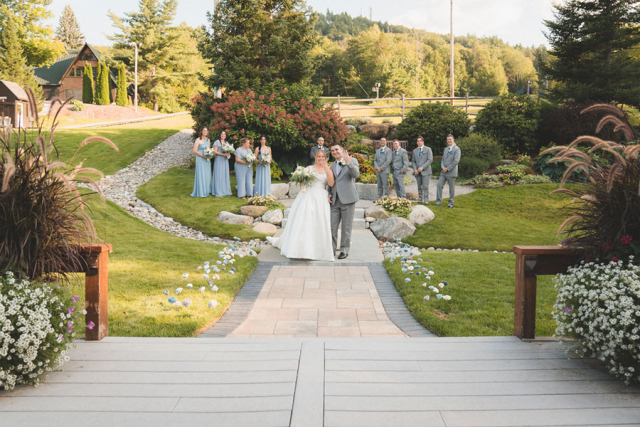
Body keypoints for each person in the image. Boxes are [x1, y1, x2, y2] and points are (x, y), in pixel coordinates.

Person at [267, 149, 335, 261]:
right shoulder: (309, 168)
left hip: (321, 198)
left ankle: (316, 249)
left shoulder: (328, 169)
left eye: (323, 157)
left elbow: (331, 183)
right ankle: (299, 248)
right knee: (305, 220)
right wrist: (302, 182)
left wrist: (326, 167)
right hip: (307, 196)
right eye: (319, 157)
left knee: (319, 221)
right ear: (315, 157)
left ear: (326, 158)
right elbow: (302, 183)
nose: (321, 159)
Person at [329, 142, 359, 259]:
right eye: (332, 151)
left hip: (348, 199)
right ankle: (331, 249)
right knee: (332, 227)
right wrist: (328, 193)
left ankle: (344, 250)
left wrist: (349, 162)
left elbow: (356, 174)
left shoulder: (352, 160)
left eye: (336, 149)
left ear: (341, 150)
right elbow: (330, 182)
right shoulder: (331, 165)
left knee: (346, 227)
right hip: (335, 200)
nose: (335, 152)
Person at [436, 134, 461, 208]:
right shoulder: (446, 149)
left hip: (451, 172)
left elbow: (456, 161)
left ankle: (450, 203)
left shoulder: (457, 149)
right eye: (447, 139)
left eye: (450, 139)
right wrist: (442, 167)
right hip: (443, 172)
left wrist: (448, 168)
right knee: (439, 185)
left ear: (453, 140)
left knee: (451, 189)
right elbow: (442, 159)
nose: (449, 141)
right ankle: (438, 202)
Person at [190, 127, 213, 198]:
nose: (205, 132)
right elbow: (194, 151)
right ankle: (200, 191)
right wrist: (203, 156)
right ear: (201, 131)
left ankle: (206, 190)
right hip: (200, 159)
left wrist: (209, 155)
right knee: (201, 174)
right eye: (204, 130)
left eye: (206, 131)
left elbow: (208, 149)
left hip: (207, 160)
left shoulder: (208, 140)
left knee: (207, 174)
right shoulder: (198, 140)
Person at [412, 136, 433, 204]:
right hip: (417, 172)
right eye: (418, 141)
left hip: (426, 171)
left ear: (423, 141)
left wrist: (422, 167)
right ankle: (420, 199)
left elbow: (430, 160)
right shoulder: (415, 151)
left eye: (420, 140)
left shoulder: (428, 149)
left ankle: (426, 200)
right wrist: (415, 169)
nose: (419, 142)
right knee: (419, 187)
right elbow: (413, 161)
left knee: (425, 187)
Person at [212, 130, 232, 197]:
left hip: (225, 161)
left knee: (224, 174)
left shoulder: (227, 143)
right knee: (218, 174)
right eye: (222, 134)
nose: (223, 135)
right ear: (220, 135)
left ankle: (225, 190)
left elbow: (229, 151)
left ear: (225, 136)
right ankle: (218, 190)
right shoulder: (217, 142)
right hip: (219, 160)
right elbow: (215, 151)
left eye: (224, 134)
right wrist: (223, 154)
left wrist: (228, 155)